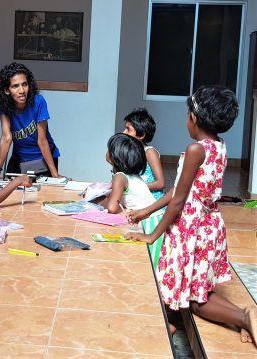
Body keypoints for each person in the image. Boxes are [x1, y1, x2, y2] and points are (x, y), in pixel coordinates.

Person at [126, 85, 256, 345]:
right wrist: (144, 212)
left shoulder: (196, 150)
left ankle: (245, 318)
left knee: (196, 303)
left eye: (187, 115)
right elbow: (176, 189)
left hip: (191, 229)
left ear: (194, 118)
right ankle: (244, 316)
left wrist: (153, 235)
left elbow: (176, 201)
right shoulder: (219, 146)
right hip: (209, 226)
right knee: (201, 289)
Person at [0, 62, 61, 180]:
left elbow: (42, 141)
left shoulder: (38, 102)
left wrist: (55, 175)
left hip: (43, 159)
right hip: (19, 159)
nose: (22, 90)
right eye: (15, 86)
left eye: (24, 84)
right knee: (9, 194)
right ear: (7, 90)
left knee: (40, 196)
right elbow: (6, 138)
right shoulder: (3, 105)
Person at [102, 133, 164, 267]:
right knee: (155, 261)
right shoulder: (134, 176)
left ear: (114, 157)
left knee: (151, 262)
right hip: (156, 220)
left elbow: (112, 208)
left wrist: (103, 201)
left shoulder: (120, 177)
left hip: (148, 223)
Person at [123, 108, 165, 200]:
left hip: (150, 200)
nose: (124, 132)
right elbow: (109, 158)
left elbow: (160, 183)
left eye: (128, 129)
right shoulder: (129, 151)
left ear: (141, 135)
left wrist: (131, 188)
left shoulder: (149, 152)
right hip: (135, 197)